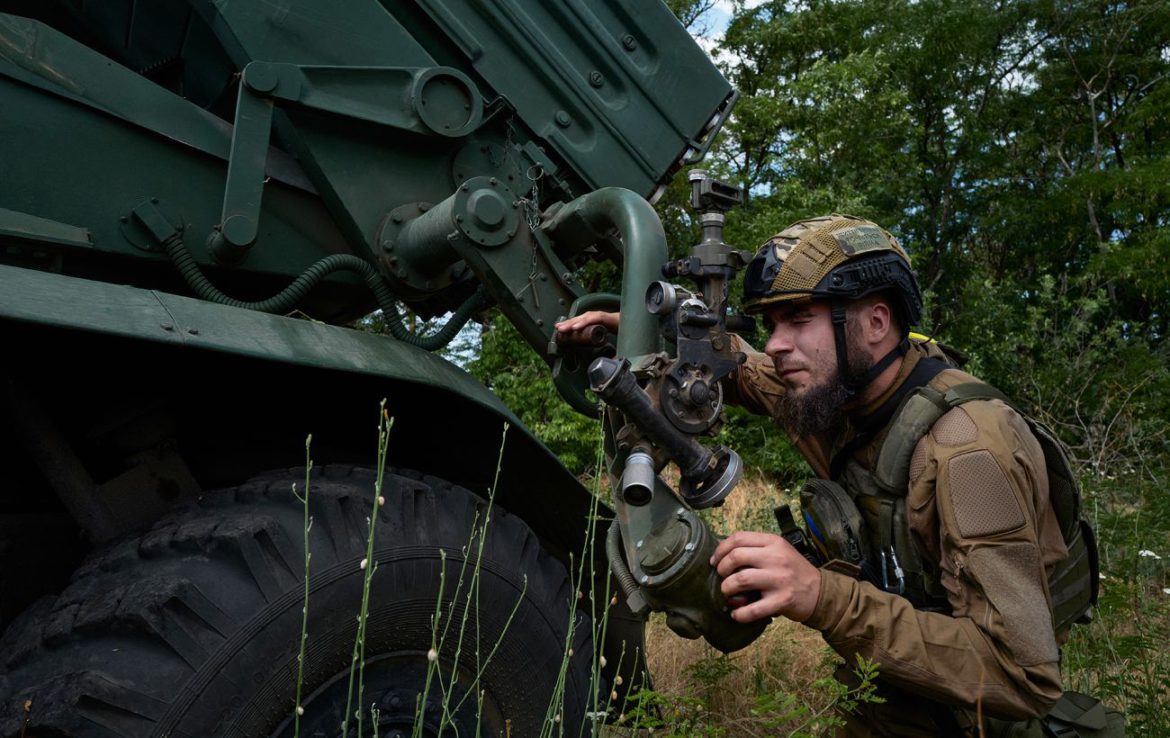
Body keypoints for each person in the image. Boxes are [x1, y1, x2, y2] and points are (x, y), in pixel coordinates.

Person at [556, 214, 1101, 737]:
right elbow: (741, 367)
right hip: (887, 700)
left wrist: (820, 594)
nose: (775, 343)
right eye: (771, 324)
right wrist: (635, 330)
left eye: (798, 319)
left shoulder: (968, 453)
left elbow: (1021, 676)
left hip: (977, 722)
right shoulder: (844, 393)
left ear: (876, 322)